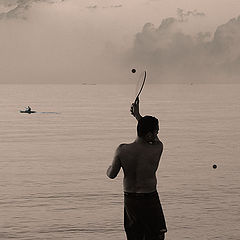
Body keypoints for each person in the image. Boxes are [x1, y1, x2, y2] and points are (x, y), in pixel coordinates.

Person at [106, 97, 167, 240]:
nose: (157, 135)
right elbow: (154, 138)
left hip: (131, 200)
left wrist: (109, 167)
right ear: (149, 134)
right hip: (149, 197)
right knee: (157, 236)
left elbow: (111, 175)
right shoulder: (157, 148)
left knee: (135, 236)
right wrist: (138, 116)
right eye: (156, 132)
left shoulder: (122, 150)